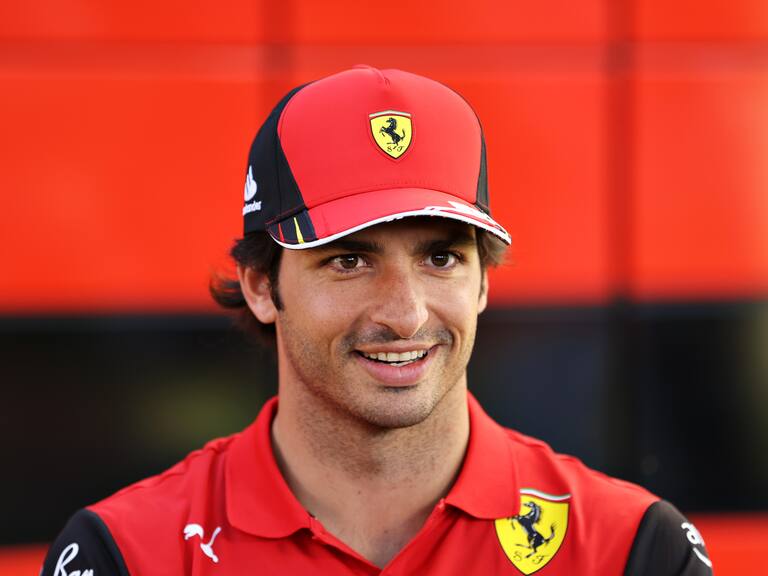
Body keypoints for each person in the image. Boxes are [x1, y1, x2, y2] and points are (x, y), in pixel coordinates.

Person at [42, 66, 714, 575]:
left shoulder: (629, 548)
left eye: (441, 257)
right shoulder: (126, 553)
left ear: (484, 282)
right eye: (349, 261)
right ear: (259, 285)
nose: (406, 313)